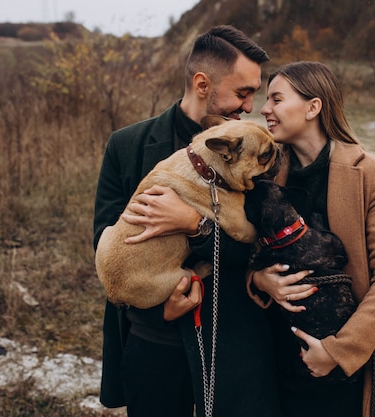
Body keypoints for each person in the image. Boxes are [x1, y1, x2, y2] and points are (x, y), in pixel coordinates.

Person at [93, 25, 282, 417]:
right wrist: (155, 312)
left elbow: (259, 246)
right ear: (202, 84)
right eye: (242, 92)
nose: (250, 106)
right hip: (155, 341)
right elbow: (107, 242)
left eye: (254, 94)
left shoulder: (256, 149)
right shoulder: (127, 145)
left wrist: (195, 224)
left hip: (233, 342)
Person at [247, 61, 375, 417]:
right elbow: (247, 252)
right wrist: (258, 280)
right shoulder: (267, 174)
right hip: (277, 358)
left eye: (276, 99)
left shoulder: (368, 173)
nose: (265, 109)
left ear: (313, 107)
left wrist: (337, 351)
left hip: (351, 364)